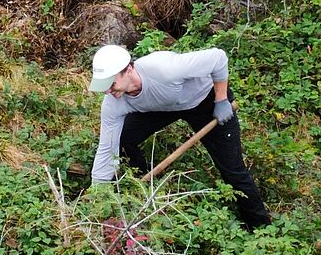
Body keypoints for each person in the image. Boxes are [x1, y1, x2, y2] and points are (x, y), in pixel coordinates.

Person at [88, 44, 271, 230]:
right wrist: (97, 197)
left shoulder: (165, 70)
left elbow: (218, 58)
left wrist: (222, 99)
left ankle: (260, 228)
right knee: (122, 139)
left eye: (111, 84)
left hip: (204, 101)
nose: (107, 91)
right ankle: (141, 180)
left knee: (232, 170)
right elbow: (106, 150)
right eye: (103, 86)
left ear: (128, 70)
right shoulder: (113, 103)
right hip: (161, 108)